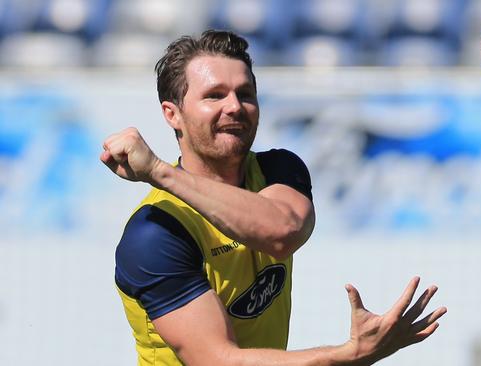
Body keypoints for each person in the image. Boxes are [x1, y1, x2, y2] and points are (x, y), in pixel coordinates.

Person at [101, 29, 447, 366]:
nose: (235, 106)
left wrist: (160, 172)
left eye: (245, 93)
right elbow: (219, 361)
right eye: (215, 95)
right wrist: (348, 355)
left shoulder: (278, 169)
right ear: (172, 114)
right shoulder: (155, 232)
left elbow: (282, 232)